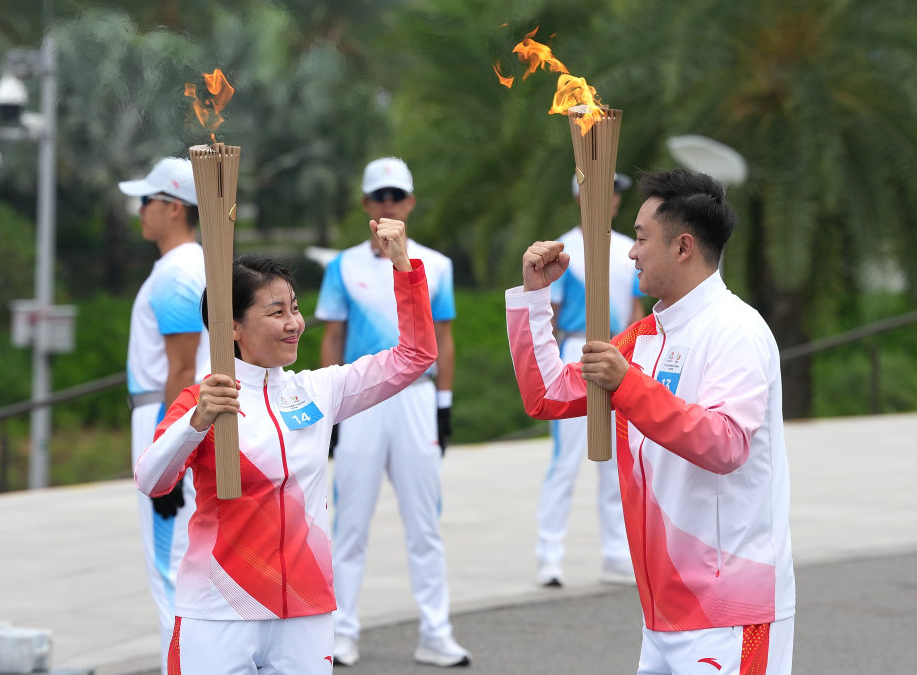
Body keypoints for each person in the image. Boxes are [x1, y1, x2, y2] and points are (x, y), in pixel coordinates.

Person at [507, 169, 795, 673]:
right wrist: (533, 300)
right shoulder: (641, 338)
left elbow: (725, 444)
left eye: (641, 239)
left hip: (729, 611)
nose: (632, 253)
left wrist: (630, 386)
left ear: (683, 247)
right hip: (661, 614)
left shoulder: (737, 331)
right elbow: (548, 396)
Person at [134, 218, 437, 674]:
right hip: (219, 606)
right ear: (232, 327)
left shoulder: (317, 391)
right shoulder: (204, 399)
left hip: (305, 606)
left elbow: (414, 357)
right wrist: (196, 423)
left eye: (294, 308)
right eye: (276, 313)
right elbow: (151, 480)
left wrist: (403, 268)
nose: (294, 323)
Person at [316, 157, 469, 668]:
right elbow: (331, 338)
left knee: (424, 523)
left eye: (396, 196)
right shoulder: (342, 267)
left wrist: (444, 405)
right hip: (360, 399)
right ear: (365, 205)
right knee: (351, 522)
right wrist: (328, 412)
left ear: (410, 202)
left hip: (417, 401)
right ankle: (340, 632)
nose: (387, 204)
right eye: (378, 196)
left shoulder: (436, 265)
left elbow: (442, 340)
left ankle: (436, 632)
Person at [118, 157, 209, 674]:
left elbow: (182, 367)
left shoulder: (177, 272)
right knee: (182, 564)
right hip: (181, 415)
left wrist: (164, 455)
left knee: (170, 568)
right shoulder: (194, 264)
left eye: (146, 201)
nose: (139, 211)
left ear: (174, 208)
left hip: (169, 413)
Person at [536, 172, 644, 588]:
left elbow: (636, 309)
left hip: (620, 357)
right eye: (597, 190)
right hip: (576, 354)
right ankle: (549, 553)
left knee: (617, 459)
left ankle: (617, 553)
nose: (607, 198)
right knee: (566, 459)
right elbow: (550, 315)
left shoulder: (629, 250)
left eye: (613, 192)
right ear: (579, 196)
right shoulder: (562, 251)